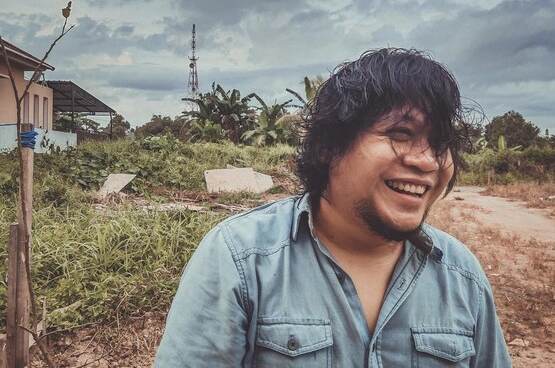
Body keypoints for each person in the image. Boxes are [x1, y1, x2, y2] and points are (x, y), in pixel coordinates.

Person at [154, 48, 511, 367]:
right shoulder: (240, 259)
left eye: (440, 142)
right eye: (401, 133)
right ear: (329, 147)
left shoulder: (462, 276)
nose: (427, 162)